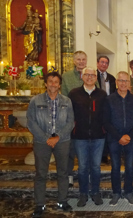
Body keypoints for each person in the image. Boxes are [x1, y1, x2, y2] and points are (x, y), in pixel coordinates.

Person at [27, 72, 74, 218]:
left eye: (56, 82)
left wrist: (57, 137)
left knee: (63, 172)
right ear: (46, 84)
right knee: (41, 174)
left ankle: (62, 201)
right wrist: (46, 138)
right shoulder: (35, 100)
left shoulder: (67, 101)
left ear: (59, 85)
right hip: (42, 142)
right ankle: (40, 204)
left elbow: (70, 122)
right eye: (50, 81)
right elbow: (31, 122)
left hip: (62, 140)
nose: (53, 84)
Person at [68, 67, 107, 207]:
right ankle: (83, 194)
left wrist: (104, 130)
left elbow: (106, 115)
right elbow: (69, 114)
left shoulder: (102, 94)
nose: (90, 77)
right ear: (82, 76)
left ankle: (95, 192)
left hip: (98, 136)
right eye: (87, 75)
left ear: (96, 78)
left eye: (92, 75)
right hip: (80, 136)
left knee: (96, 167)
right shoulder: (74, 94)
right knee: (83, 167)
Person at [103, 71, 133, 206]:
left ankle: (129, 192)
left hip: (130, 139)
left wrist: (129, 136)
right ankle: (116, 193)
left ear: (129, 83)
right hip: (114, 139)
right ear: (117, 82)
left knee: (130, 167)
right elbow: (106, 121)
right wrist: (119, 136)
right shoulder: (109, 99)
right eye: (121, 80)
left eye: (126, 81)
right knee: (115, 167)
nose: (123, 83)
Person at [61, 50, 91, 189]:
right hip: (72, 118)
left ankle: (87, 175)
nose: (81, 62)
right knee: (70, 149)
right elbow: (64, 98)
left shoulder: (90, 75)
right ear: (74, 61)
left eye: (83, 59)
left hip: (88, 119)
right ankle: (69, 176)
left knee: (87, 149)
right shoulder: (66, 77)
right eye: (78, 59)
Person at [97, 55, 116, 164]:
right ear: (97, 63)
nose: (104, 64)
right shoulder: (92, 75)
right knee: (99, 130)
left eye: (106, 63)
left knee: (108, 130)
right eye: (102, 62)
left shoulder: (111, 78)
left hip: (109, 106)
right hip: (97, 106)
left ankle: (106, 154)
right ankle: (100, 154)